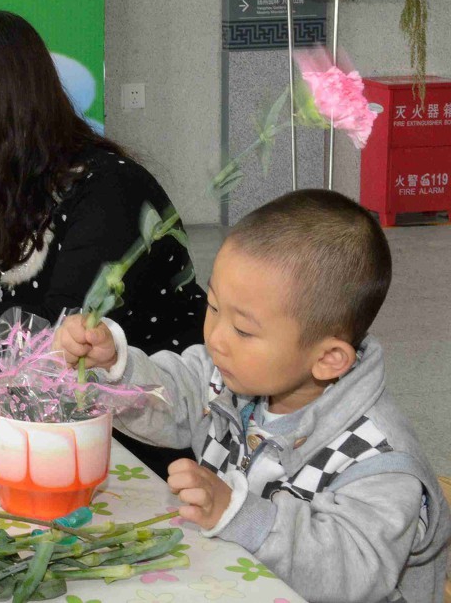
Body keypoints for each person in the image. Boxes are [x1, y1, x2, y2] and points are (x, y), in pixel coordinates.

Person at [57, 190, 451, 603]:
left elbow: (351, 571)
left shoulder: (378, 461)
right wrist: (115, 366)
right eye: (213, 307)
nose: (216, 338)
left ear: (328, 359)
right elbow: (174, 394)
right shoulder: (234, 375)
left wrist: (240, 513)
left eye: (244, 330)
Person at [0, 10, 206, 474]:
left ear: (12, 102)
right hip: (32, 429)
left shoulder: (109, 191)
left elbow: (60, 343)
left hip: (146, 448)